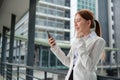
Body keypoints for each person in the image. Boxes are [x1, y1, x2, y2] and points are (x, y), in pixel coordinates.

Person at [48, 9, 106, 80]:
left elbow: (89, 66)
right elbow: (68, 62)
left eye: (78, 21)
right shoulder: (77, 41)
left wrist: (80, 42)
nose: (75, 24)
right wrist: (55, 47)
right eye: (74, 22)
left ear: (88, 23)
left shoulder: (98, 41)